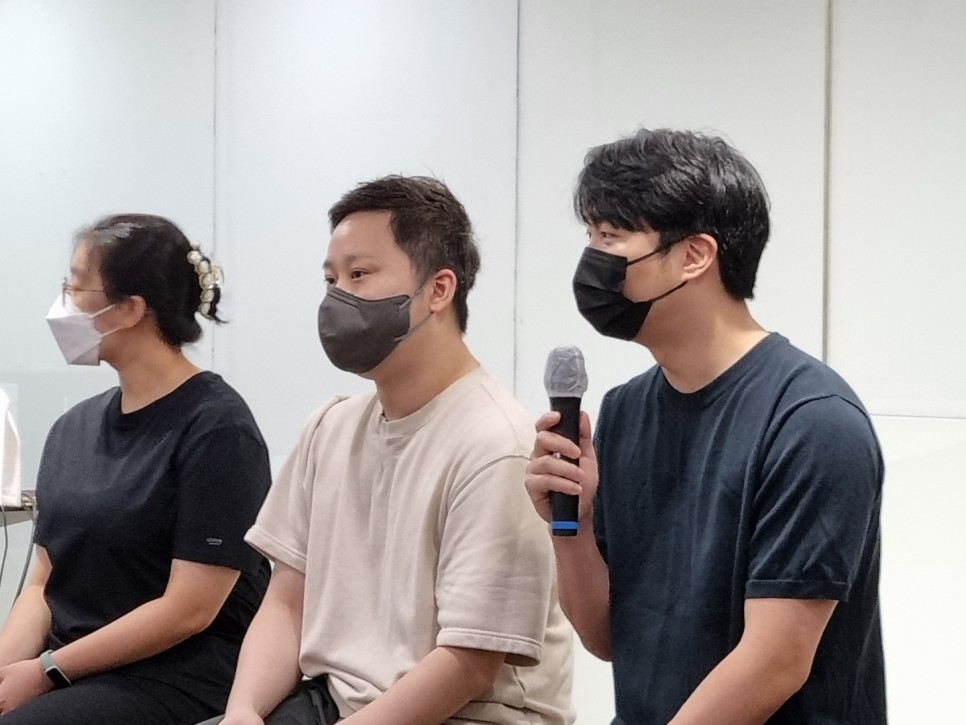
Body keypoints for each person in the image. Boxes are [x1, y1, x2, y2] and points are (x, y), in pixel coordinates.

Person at [525, 129, 886, 724]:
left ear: (694, 255)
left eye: (610, 237)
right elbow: (608, 637)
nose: (591, 260)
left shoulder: (812, 420)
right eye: (589, 237)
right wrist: (573, 526)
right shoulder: (623, 411)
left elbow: (774, 662)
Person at [209, 176, 574, 725]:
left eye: (359, 274)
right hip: (332, 703)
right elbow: (286, 602)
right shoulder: (330, 427)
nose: (337, 296)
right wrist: (242, 712)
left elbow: (468, 665)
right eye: (331, 279)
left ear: (439, 290)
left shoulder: (497, 444)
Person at [0, 215, 272, 724]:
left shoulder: (217, 429)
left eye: (75, 286)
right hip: (69, 669)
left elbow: (189, 610)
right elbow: (42, 583)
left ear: (129, 308)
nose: (63, 303)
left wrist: (48, 670)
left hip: (172, 673)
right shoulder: (72, 429)